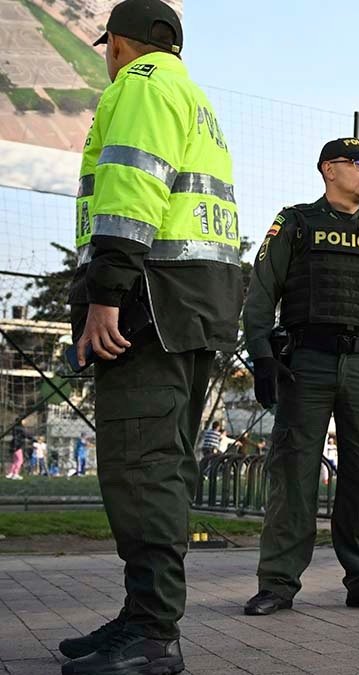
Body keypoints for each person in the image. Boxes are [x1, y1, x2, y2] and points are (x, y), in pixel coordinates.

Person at [59, 2, 243, 672]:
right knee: (162, 464)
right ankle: (141, 617)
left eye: (108, 49)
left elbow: (131, 190)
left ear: (120, 47)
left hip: (148, 303)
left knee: (140, 469)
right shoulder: (193, 98)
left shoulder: (140, 86)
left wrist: (106, 292)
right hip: (194, 304)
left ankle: (153, 637)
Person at [241, 137, 359, 617]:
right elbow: (261, 296)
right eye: (357, 163)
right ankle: (277, 583)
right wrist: (261, 357)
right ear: (327, 169)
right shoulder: (295, 224)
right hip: (307, 365)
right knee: (294, 475)